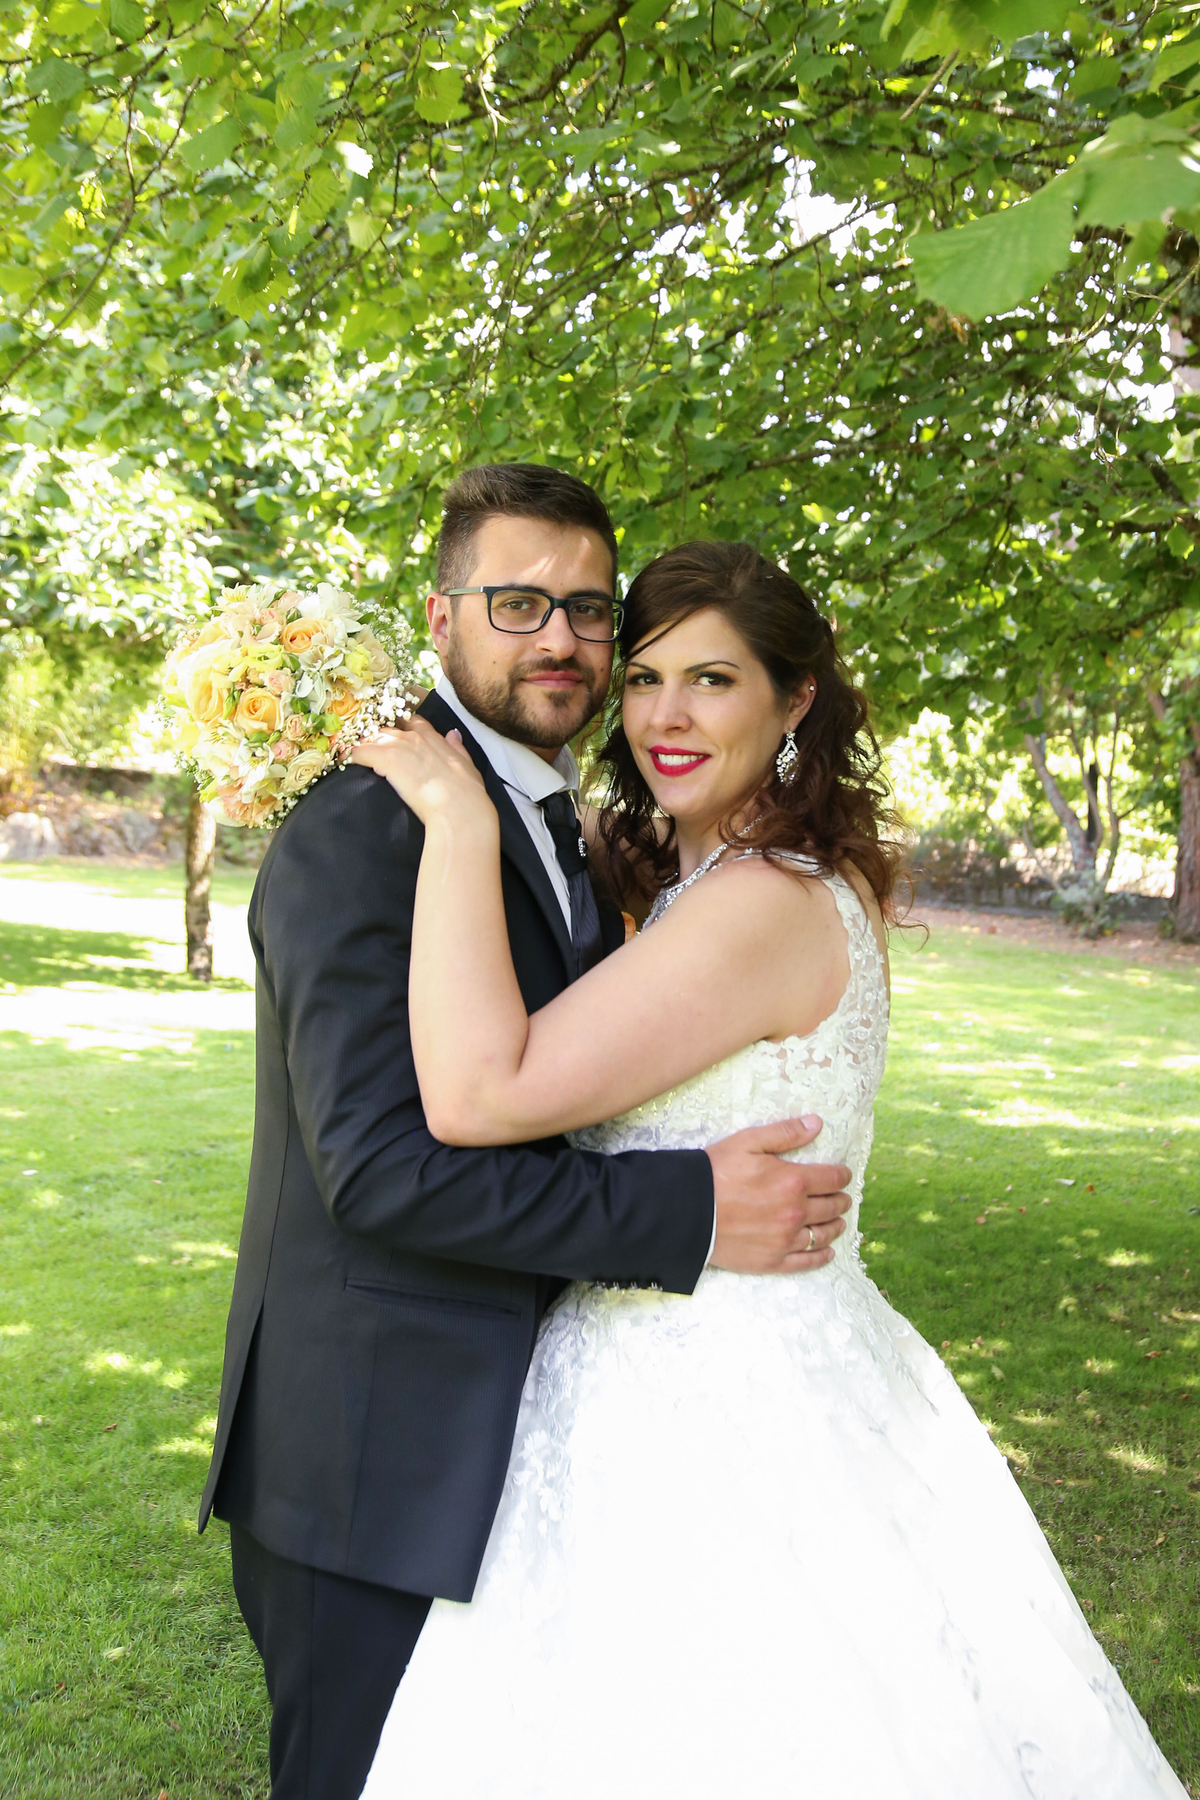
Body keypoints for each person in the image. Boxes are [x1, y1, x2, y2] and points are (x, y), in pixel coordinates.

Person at [351, 539, 1186, 1799]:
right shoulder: (712, 877)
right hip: (711, 1367)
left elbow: (480, 1095)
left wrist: (461, 822)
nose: (665, 717)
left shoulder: (761, 903)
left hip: (714, 1411)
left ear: (794, 701)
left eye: (713, 681)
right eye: (645, 678)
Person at [199, 466, 854, 1800]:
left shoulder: (579, 833)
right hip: (370, 1464)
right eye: (518, 603)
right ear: (440, 618)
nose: (561, 637)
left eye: (591, 610)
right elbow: (386, 1171)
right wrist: (687, 1211)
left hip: (535, 1444)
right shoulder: (371, 825)